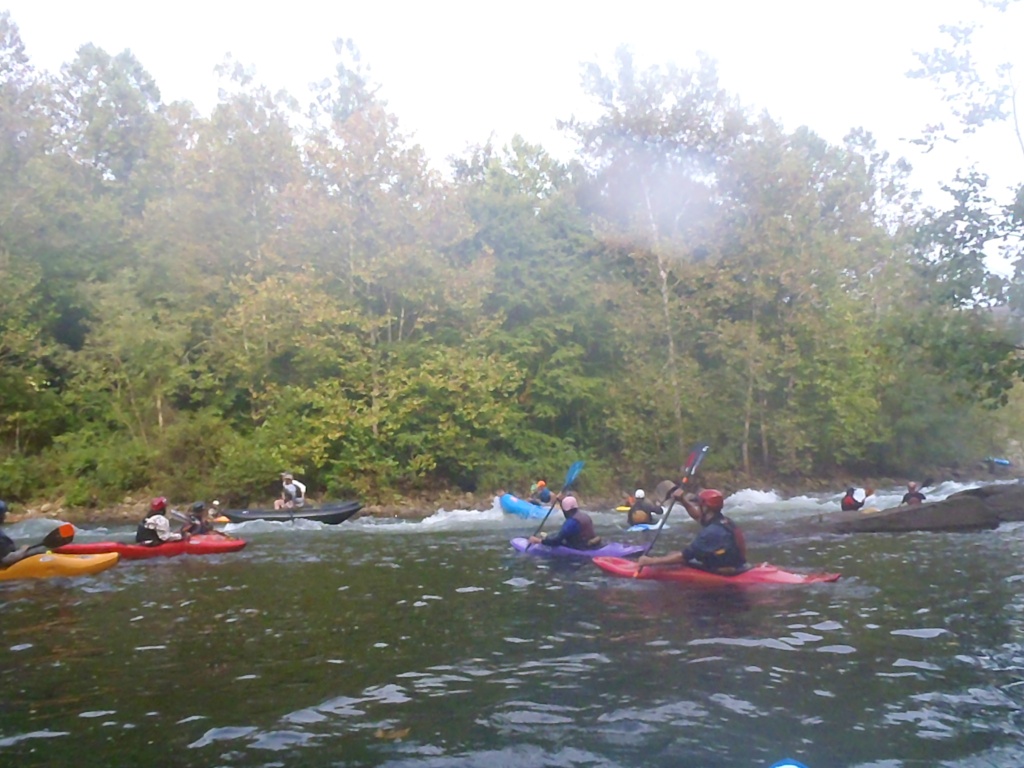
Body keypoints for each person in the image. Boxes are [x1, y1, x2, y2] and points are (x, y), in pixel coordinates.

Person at [637, 489, 748, 574]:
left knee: (673, 560)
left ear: (705, 508)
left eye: (699, 506)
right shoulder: (725, 522)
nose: (698, 508)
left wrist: (651, 561)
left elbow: (683, 557)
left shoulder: (711, 533)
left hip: (723, 572)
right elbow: (698, 517)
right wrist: (683, 500)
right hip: (736, 566)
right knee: (673, 555)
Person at [527, 495, 602, 550]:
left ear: (565, 510)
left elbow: (556, 541)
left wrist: (539, 541)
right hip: (591, 544)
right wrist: (560, 501)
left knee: (555, 538)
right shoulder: (585, 516)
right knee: (554, 535)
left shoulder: (571, 522)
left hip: (580, 547)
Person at [0, 500, 32, 565]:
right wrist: (23, 550)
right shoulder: (2, 538)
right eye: (3, 514)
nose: (5, 516)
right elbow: (6, 560)